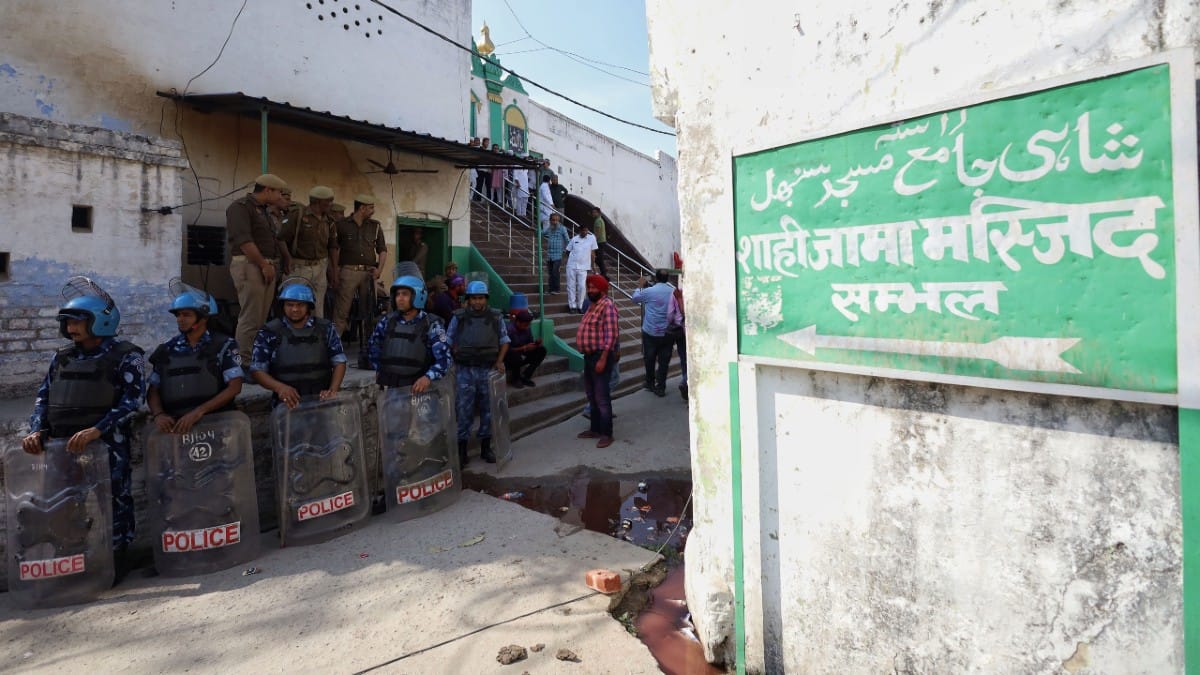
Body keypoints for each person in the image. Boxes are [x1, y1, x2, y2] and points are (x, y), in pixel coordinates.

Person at [22, 277, 146, 560]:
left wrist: (97, 430)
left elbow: (133, 401)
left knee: (112, 501)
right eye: (67, 322)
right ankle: (73, 556)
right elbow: (43, 397)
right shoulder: (62, 358)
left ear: (100, 321)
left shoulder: (126, 356)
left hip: (107, 445)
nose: (70, 328)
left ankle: (118, 557)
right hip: (63, 446)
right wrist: (36, 430)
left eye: (77, 321)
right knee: (64, 502)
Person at [147, 285, 243, 434]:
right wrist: (158, 414)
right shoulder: (166, 349)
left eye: (186, 315)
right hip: (176, 428)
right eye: (178, 315)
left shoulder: (224, 345)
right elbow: (153, 390)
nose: (180, 319)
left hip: (216, 423)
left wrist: (199, 412)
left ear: (203, 317)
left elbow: (234, 387)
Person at [250, 280, 347, 409]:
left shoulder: (326, 329)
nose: (295, 309)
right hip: (286, 404)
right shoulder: (269, 332)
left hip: (322, 401)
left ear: (308, 306)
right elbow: (257, 370)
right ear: (283, 306)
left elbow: (339, 361)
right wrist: (280, 388)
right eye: (290, 305)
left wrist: (332, 391)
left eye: (300, 305)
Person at [447, 280, 510, 465]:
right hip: (464, 371)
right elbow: (447, 340)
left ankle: (485, 448)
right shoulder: (459, 317)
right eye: (474, 298)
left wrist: (499, 361)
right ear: (468, 299)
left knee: (488, 410)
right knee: (463, 410)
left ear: (486, 299)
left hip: (487, 370)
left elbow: (505, 341)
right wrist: (450, 360)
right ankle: (462, 451)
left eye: (481, 298)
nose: (477, 302)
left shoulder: (496, 317)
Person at [227, 173, 287, 364]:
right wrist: (263, 265)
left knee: (260, 319)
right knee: (250, 318)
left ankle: (254, 359)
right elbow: (244, 241)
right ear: (268, 190)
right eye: (278, 192)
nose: (280, 197)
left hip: (264, 266)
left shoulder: (264, 211)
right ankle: (243, 363)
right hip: (251, 265)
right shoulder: (240, 207)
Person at [367, 274, 452, 392]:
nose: (400, 298)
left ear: (418, 296)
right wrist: (379, 369)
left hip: (420, 391)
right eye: (397, 294)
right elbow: (373, 347)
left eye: (405, 294)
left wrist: (428, 377)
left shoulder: (431, 325)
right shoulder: (387, 322)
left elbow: (444, 360)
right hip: (392, 389)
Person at [331, 193, 388, 336]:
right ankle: (334, 342)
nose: (373, 211)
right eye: (371, 208)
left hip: (369, 273)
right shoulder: (341, 225)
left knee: (369, 311)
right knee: (342, 310)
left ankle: (370, 342)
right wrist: (335, 272)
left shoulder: (375, 226)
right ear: (362, 208)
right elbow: (334, 249)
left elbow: (382, 250)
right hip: (348, 271)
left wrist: (379, 270)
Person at [279, 186, 338, 319]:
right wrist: (287, 258)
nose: (331, 204)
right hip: (299, 267)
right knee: (294, 304)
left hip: (320, 268)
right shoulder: (298, 215)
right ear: (318, 202)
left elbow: (333, 247)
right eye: (328, 201)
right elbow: (281, 239)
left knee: (317, 307)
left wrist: (334, 271)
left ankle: (315, 331)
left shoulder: (329, 220)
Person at [575, 274, 618, 448]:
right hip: (589, 357)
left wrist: (603, 358)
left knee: (601, 397)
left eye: (594, 287)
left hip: (600, 356)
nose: (590, 290)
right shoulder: (591, 305)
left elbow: (611, 335)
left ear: (602, 289)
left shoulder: (607, 306)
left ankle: (607, 434)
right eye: (589, 287)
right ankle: (595, 429)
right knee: (591, 395)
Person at [632, 269, 675, 397]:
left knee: (649, 358)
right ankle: (661, 386)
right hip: (667, 331)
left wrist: (640, 286)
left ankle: (650, 382)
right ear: (668, 279)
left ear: (656, 278)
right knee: (664, 361)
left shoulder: (649, 291)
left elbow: (635, 298)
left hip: (650, 331)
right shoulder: (673, 291)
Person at [503, 310, 546, 388]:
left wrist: (536, 344)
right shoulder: (509, 329)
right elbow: (506, 350)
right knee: (515, 356)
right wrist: (523, 348)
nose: (527, 326)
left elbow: (530, 342)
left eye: (528, 324)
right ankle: (516, 379)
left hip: (522, 353)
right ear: (518, 322)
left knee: (542, 350)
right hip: (509, 357)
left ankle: (525, 376)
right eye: (526, 324)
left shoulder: (527, 329)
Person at [564, 223, 598, 313]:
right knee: (571, 286)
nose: (585, 232)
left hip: (583, 267)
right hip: (571, 266)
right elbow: (567, 251)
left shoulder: (592, 238)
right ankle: (572, 306)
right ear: (580, 231)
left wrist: (593, 266)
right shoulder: (574, 239)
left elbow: (593, 253)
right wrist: (573, 259)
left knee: (582, 287)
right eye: (583, 230)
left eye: (586, 230)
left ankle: (580, 306)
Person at [667, 284, 688, 401]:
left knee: (684, 358)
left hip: (681, 330)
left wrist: (672, 322)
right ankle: (686, 381)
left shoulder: (677, 292)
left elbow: (670, 314)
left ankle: (685, 381)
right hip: (694, 330)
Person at [542, 213, 570, 295]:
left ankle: (557, 289)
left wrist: (568, 250)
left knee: (555, 272)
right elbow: (542, 233)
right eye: (553, 220)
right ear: (550, 220)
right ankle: (551, 289)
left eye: (556, 220)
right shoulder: (549, 228)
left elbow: (567, 240)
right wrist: (536, 230)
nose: (555, 222)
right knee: (550, 273)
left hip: (558, 255)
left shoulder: (562, 228)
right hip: (549, 255)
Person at [591, 207, 609, 277]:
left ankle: (604, 271)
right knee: (598, 258)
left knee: (597, 258)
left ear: (598, 213)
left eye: (594, 212)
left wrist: (593, 241)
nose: (593, 214)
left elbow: (598, 232)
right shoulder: (601, 220)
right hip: (602, 241)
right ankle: (604, 269)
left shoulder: (598, 221)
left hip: (599, 242)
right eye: (593, 212)